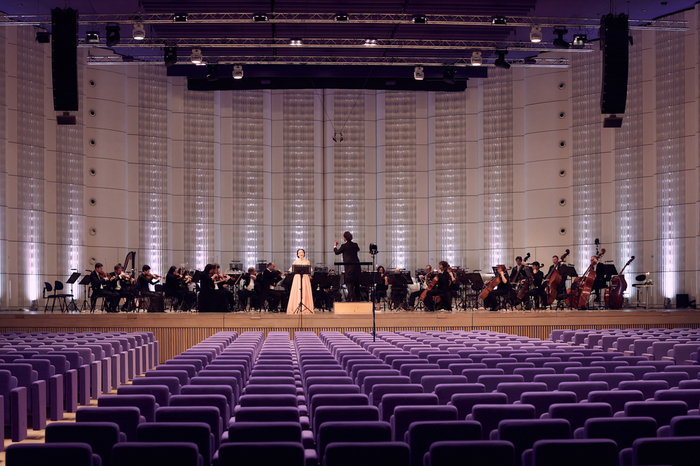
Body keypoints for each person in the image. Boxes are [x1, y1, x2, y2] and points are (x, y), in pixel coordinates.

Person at [334, 231, 361, 302]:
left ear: (345, 238)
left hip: (349, 267)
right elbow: (358, 249)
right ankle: (357, 298)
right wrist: (355, 244)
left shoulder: (344, 246)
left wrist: (335, 246)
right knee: (356, 282)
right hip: (357, 266)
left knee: (348, 282)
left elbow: (337, 252)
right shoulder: (355, 245)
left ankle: (351, 297)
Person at [287, 248, 314, 314]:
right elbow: (292, 270)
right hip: (297, 278)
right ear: (297, 254)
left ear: (304, 254)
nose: (301, 253)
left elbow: (309, 270)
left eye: (302, 252)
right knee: (297, 291)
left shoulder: (307, 262)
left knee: (305, 291)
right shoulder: (295, 262)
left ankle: (305, 307)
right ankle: (296, 306)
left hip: (305, 277)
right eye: (299, 252)